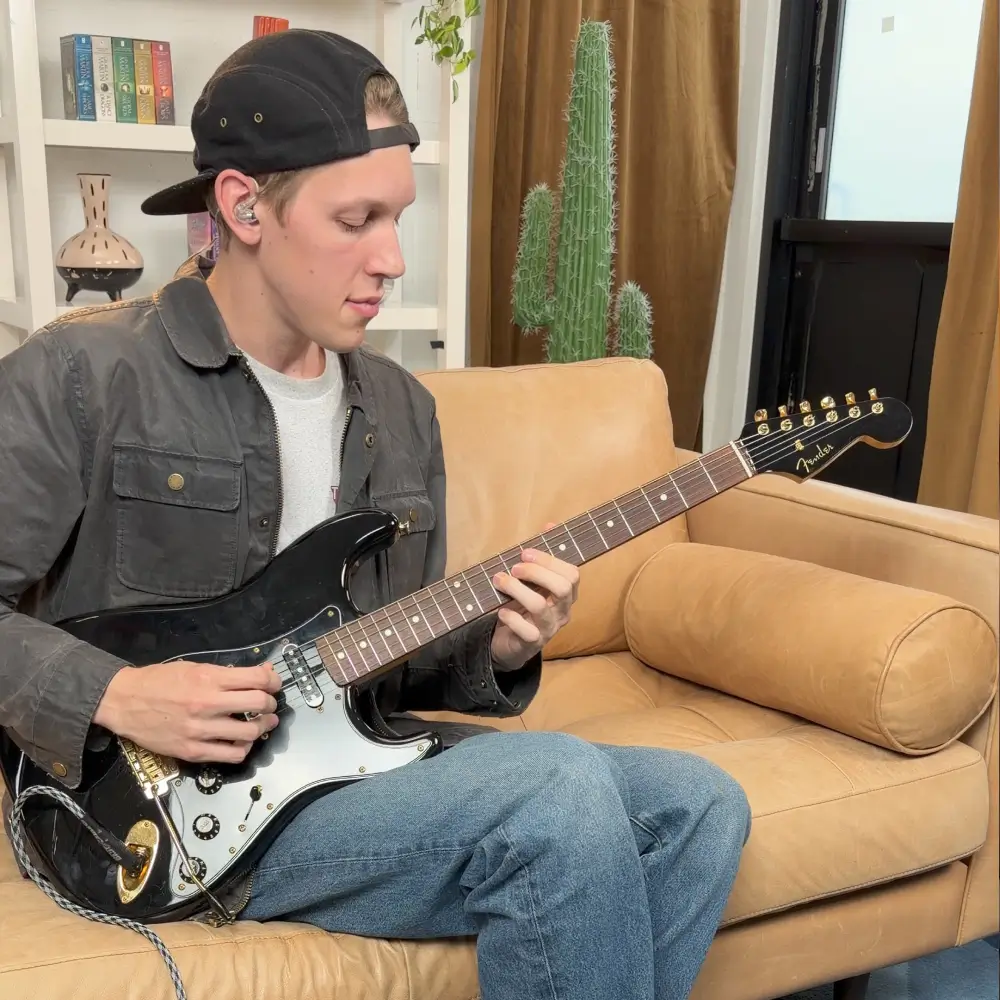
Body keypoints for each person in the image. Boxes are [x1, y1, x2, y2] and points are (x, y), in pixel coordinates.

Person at [0, 29, 751, 1000]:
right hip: (154, 817)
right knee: (555, 789)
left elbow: (383, 661)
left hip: (342, 764)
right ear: (244, 206)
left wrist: (500, 647)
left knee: (700, 804)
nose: (392, 257)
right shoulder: (82, 374)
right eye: (356, 219)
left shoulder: (401, 410)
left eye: (397, 217)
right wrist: (114, 694)